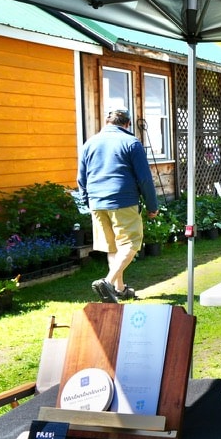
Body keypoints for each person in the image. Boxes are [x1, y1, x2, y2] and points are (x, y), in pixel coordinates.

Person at [77, 108, 159, 302]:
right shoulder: (131, 142)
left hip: (97, 202)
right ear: (127, 124)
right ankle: (107, 281)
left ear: (107, 122)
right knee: (131, 242)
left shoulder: (89, 143)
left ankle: (119, 289)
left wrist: (86, 202)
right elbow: (145, 179)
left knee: (113, 247)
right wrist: (152, 205)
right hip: (123, 200)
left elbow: (81, 178)